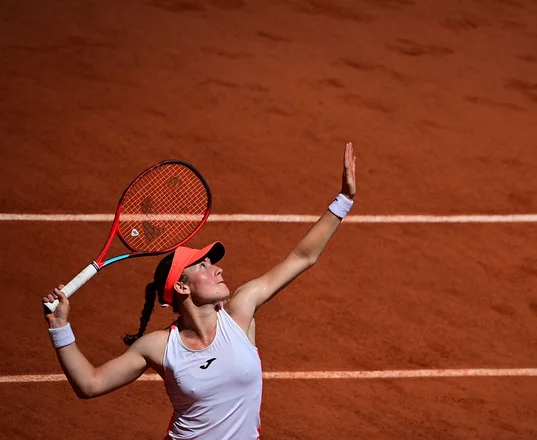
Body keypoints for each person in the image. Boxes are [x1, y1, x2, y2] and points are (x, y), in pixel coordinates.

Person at [42, 142, 358, 440]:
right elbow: (90, 384)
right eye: (203, 266)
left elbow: (302, 257)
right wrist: (60, 328)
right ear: (182, 286)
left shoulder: (241, 311)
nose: (217, 269)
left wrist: (343, 199)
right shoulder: (157, 346)